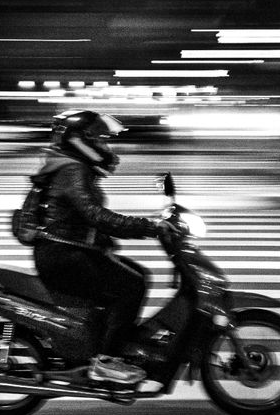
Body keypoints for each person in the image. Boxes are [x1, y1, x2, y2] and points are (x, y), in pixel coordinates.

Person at [30, 109, 178, 388]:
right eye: (99, 140)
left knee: (135, 273)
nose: (105, 147)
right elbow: (95, 215)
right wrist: (148, 227)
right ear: (81, 141)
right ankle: (106, 361)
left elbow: (82, 219)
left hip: (65, 250)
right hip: (63, 256)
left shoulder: (70, 166)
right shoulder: (73, 169)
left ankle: (108, 344)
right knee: (131, 284)